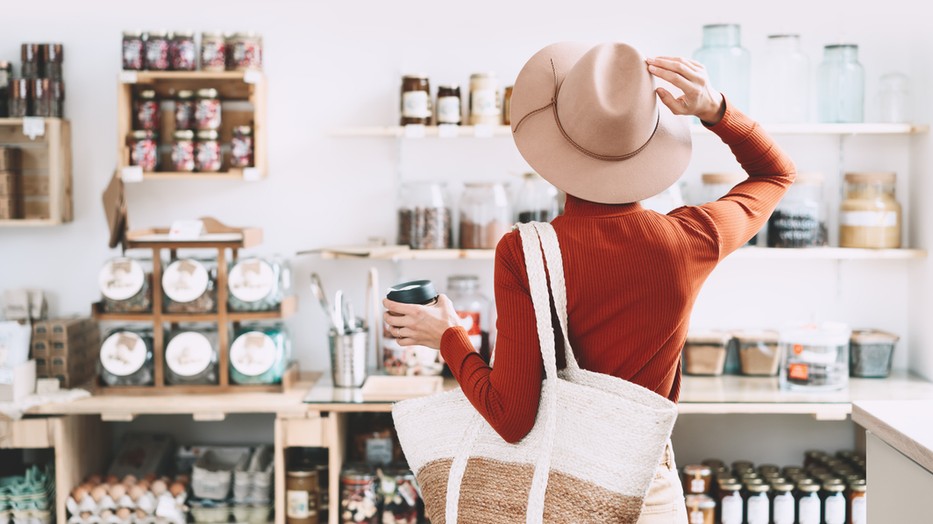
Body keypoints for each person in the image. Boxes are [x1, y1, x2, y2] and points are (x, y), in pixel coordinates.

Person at [384, 42, 795, 522]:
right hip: (647, 494)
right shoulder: (689, 239)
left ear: (555, 143)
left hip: (553, 498)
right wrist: (716, 110)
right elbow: (775, 174)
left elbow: (511, 418)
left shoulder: (525, 251)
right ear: (648, 142)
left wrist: (449, 337)